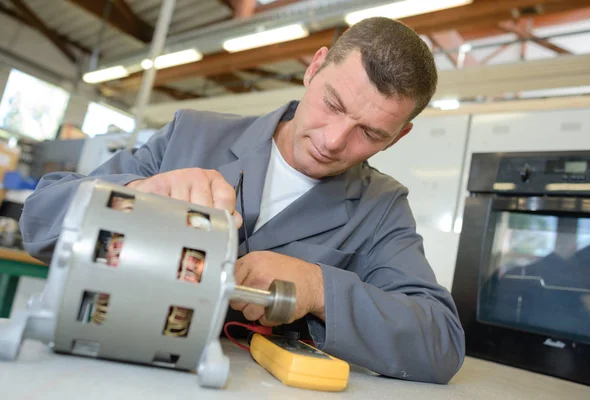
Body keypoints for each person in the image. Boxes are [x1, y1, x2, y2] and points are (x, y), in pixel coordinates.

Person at [19, 17, 465, 384]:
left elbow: (440, 341)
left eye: (369, 133)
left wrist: (316, 287)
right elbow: (41, 220)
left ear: (398, 137)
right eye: (332, 103)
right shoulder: (192, 134)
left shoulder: (381, 208)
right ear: (315, 68)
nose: (333, 141)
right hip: (105, 370)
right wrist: (134, 197)